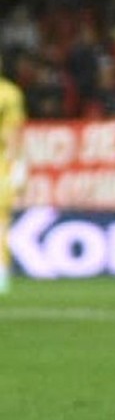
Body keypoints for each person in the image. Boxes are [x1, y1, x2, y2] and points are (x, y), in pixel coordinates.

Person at [0, 60, 25, 294]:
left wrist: (17, 167)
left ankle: (0, 271)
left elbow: (12, 134)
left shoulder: (8, 94)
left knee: (0, 220)